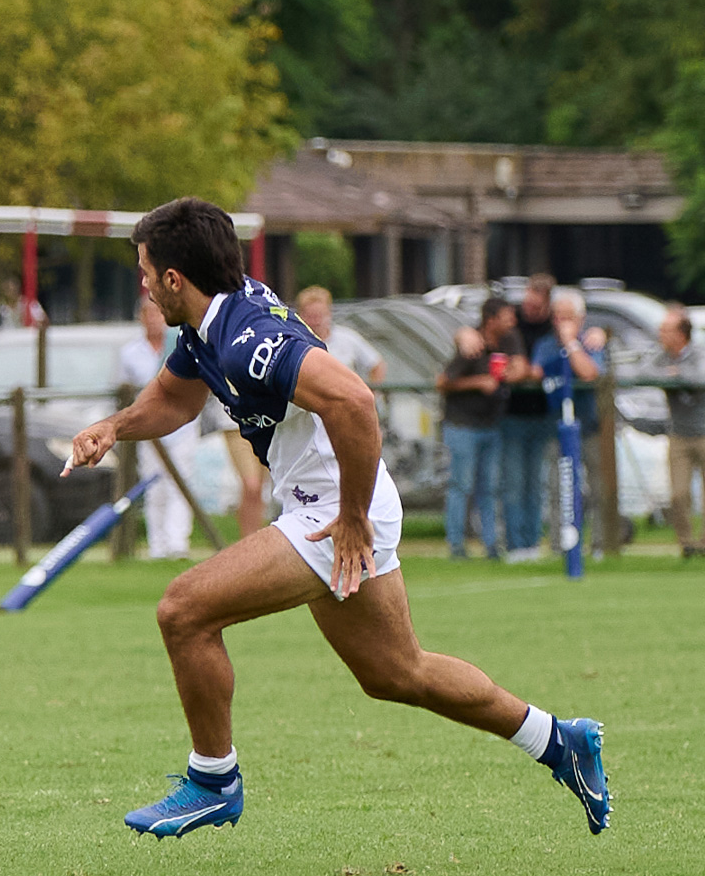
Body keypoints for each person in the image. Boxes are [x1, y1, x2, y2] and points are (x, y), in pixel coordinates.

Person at [64, 197, 608, 840]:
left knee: (183, 610)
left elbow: (354, 399)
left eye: (147, 271)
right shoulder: (207, 326)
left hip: (334, 513)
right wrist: (115, 427)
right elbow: (176, 397)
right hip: (331, 505)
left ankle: (214, 781)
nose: (145, 284)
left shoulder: (251, 341)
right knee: (396, 673)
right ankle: (559, 741)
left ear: (176, 279)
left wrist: (352, 517)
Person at [435, 298, 522, 560]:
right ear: (491, 319)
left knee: (490, 488)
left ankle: (491, 544)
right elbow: (443, 382)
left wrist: (511, 372)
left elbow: (520, 363)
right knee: (461, 485)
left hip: (491, 425)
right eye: (507, 317)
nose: (512, 322)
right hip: (463, 425)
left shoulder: (507, 341)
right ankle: (456, 545)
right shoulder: (472, 345)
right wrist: (478, 382)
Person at [119, 296, 198, 558]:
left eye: (157, 313)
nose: (153, 319)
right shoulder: (130, 353)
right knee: (154, 485)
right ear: (141, 318)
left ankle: (177, 543)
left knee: (180, 482)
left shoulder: (181, 343)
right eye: (148, 314)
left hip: (182, 426)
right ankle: (158, 545)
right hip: (148, 428)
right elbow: (122, 391)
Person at [530, 289, 607, 554]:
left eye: (567, 317)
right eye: (557, 317)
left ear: (580, 319)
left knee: (597, 489)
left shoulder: (592, 342)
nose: (560, 322)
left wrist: (572, 343)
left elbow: (589, 373)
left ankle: (598, 546)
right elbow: (536, 371)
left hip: (590, 427)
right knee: (557, 488)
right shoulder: (545, 345)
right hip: (557, 429)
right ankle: (559, 545)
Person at [628, 308, 705, 557]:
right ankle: (687, 544)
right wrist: (669, 373)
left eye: (666, 330)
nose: (660, 334)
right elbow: (641, 373)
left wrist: (677, 374)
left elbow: (699, 376)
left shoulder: (699, 353)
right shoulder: (662, 356)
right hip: (679, 434)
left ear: (681, 334)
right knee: (679, 494)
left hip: (704, 433)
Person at [500, 274, 557, 562]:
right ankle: (514, 544)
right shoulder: (511, 323)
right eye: (527, 302)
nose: (530, 309)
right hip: (512, 414)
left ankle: (533, 543)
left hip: (543, 414)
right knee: (513, 483)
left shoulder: (553, 328)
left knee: (536, 483)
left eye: (536, 305)